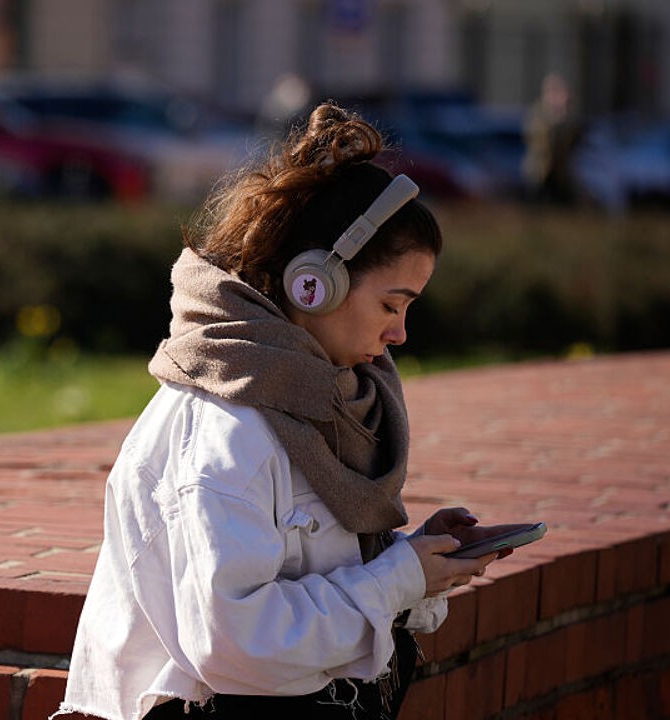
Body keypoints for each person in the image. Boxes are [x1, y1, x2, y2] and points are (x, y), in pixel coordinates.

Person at [58, 103, 522, 720]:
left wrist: (414, 567)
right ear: (315, 283)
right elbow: (235, 643)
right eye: (392, 304)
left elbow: (307, 575)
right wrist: (393, 580)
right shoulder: (230, 429)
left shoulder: (317, 399)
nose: (400, 334)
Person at [522, 73, 582, 205]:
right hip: (539, 173)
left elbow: (571, 143)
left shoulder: (567, 118)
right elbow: (538, 140)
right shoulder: (538, 115)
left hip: (560, 174)